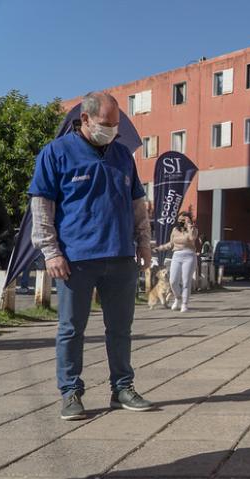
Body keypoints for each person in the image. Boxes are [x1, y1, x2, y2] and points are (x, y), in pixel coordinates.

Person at [30, 91, 153, 421]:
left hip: (120, 256)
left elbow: (137, 205)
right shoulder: (56, 153)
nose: (112, 130)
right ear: (84, 119)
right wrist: (51, 252)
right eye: (105, 123)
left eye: (116, 124)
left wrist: (144, 243)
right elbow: (41, 207)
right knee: (71, 329)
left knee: (121, 328)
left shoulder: (122, 155)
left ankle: (122, 388)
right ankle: (70, 392)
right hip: (75, 260)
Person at [155, 211, 198, 312]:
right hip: (177, 255)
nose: (182, 221)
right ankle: (178, 298)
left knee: (186, 281)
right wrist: (160, 248)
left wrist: (189, 225)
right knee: (173, 281)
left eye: (185, 219)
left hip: (189, 255)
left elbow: (192, 238)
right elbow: (171, 244)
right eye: (181, 219)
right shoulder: (175, 230)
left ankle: (184, 304)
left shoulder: (193, 229)